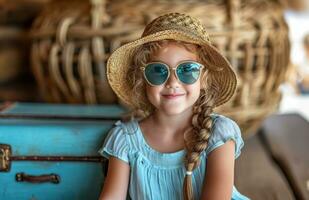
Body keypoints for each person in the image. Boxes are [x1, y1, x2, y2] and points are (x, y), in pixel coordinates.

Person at [98, 13, 249, 200]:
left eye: (187, 70)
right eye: (158, 70)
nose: (172, 82)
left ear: (204, 79)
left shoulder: (219, 135)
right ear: (142, 79)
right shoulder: (125, 141)